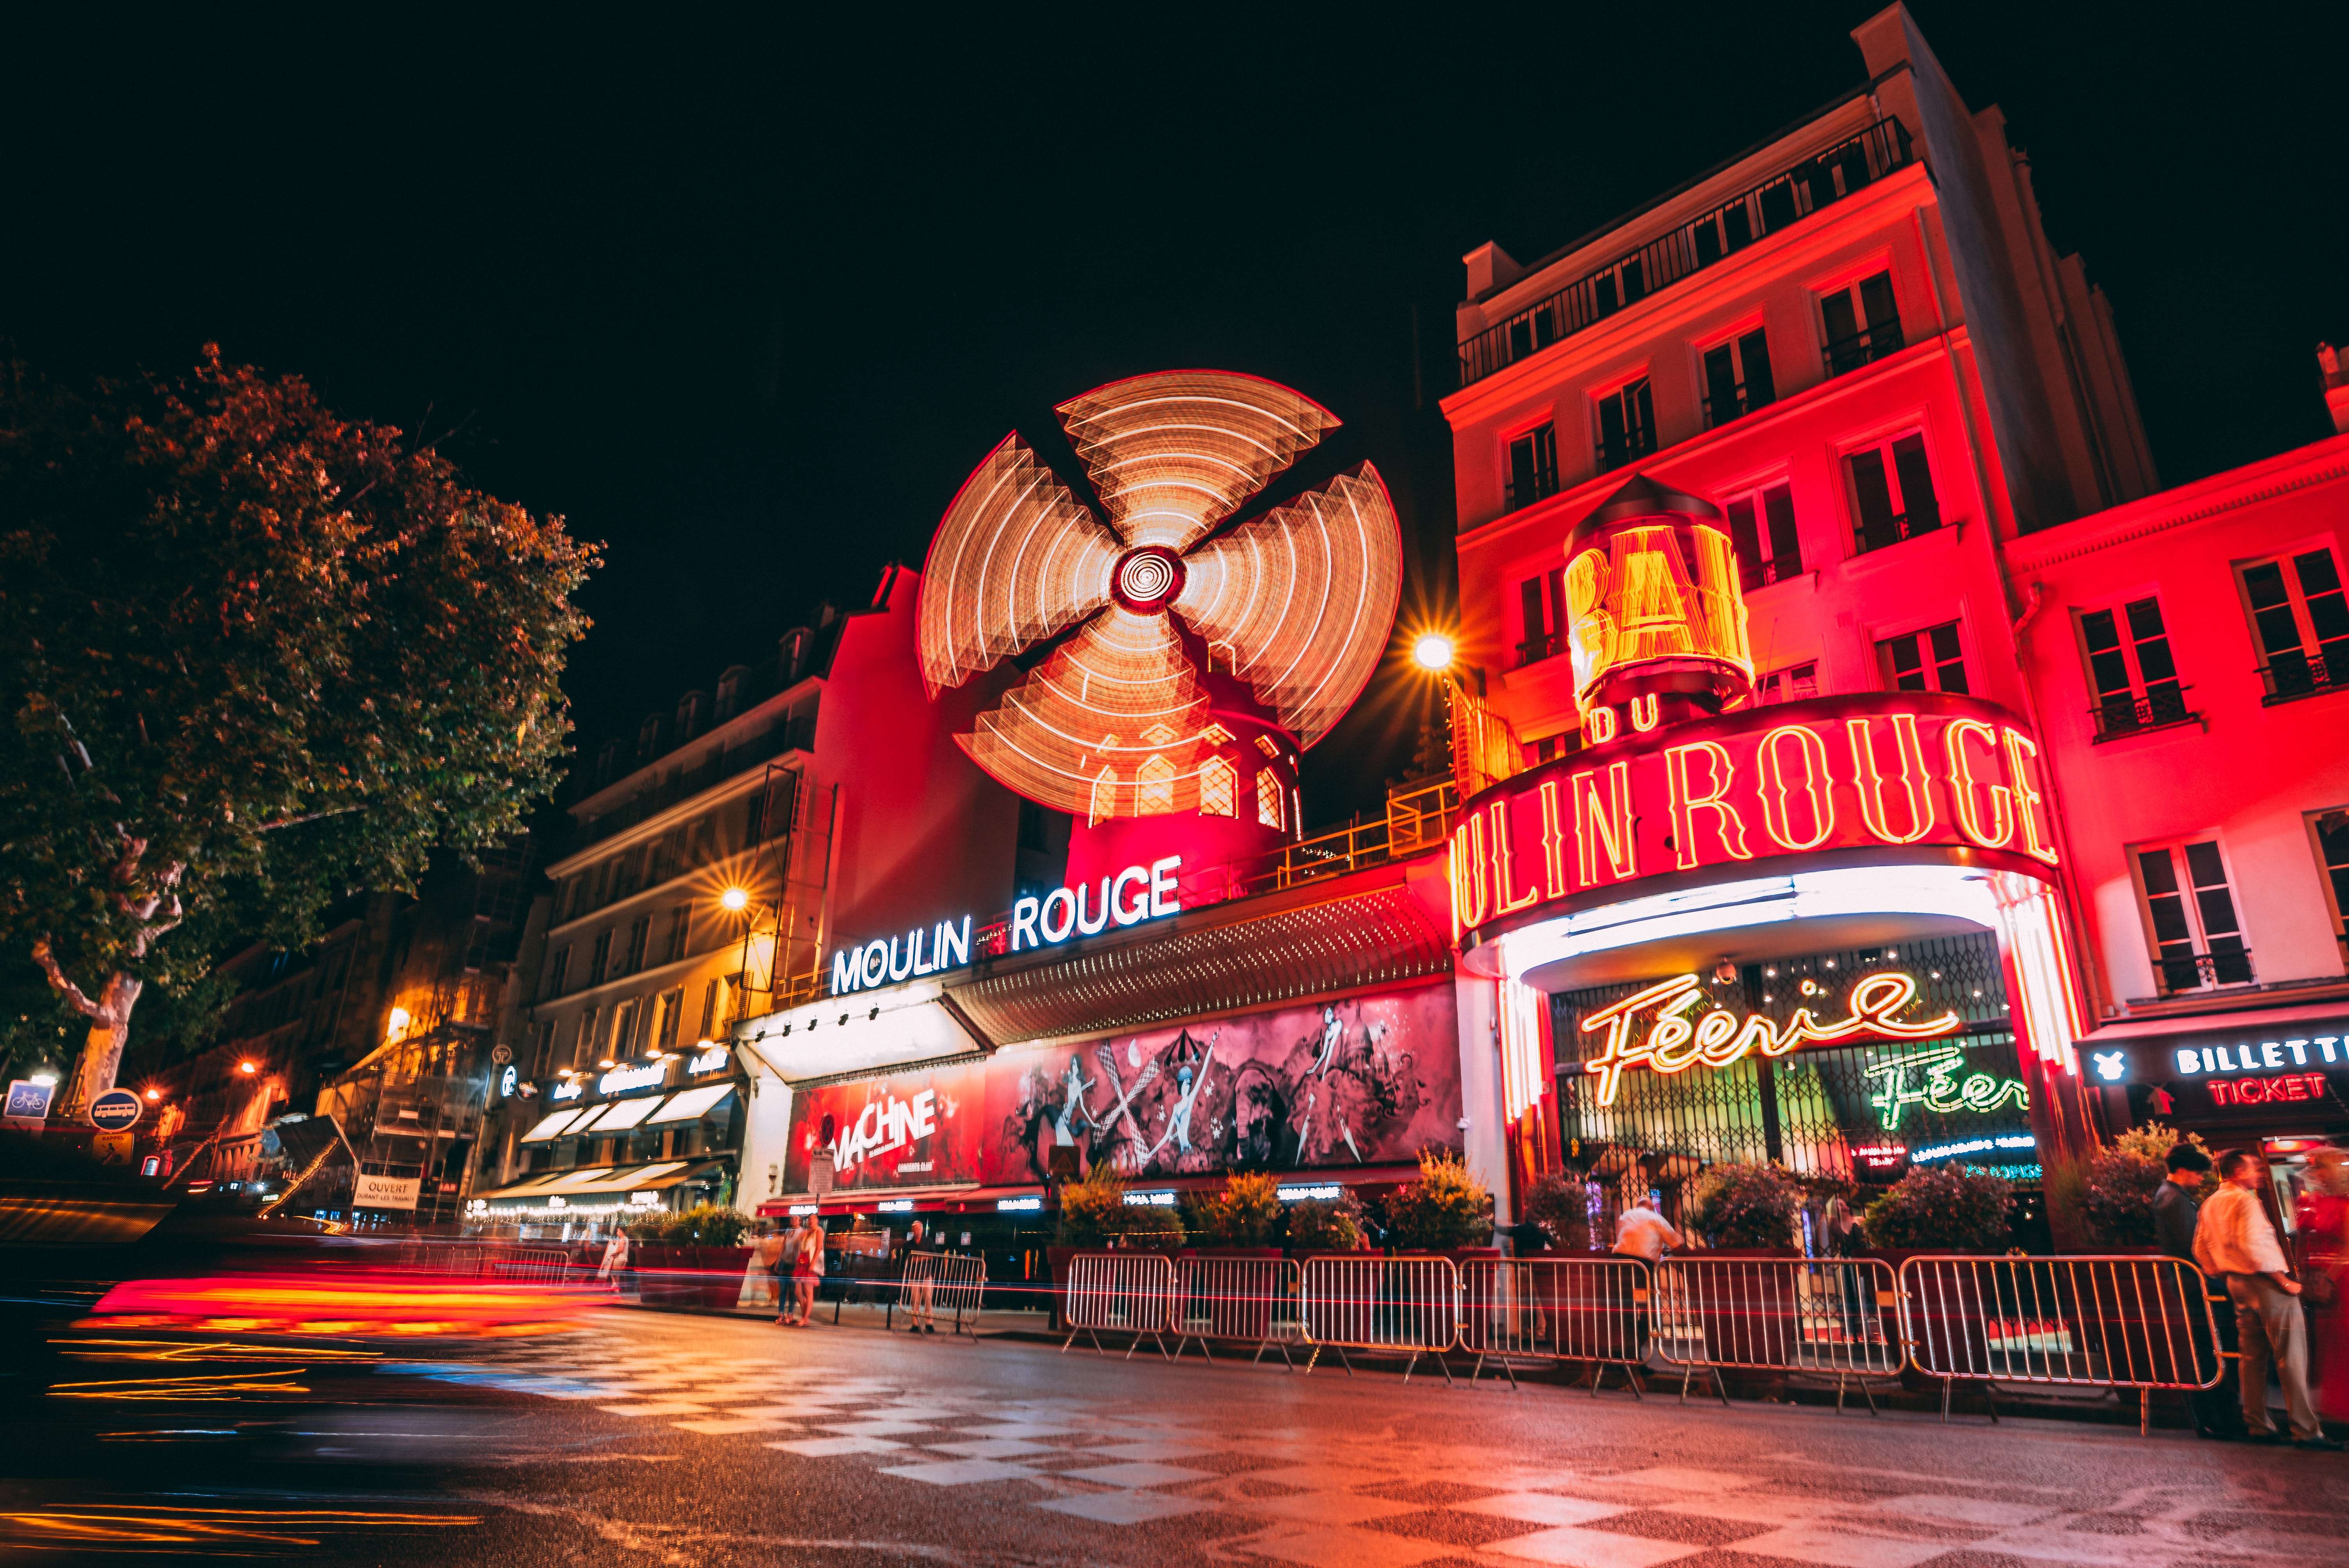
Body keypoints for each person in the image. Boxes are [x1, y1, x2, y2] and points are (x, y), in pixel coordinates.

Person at [2194, 1149, 2341, 1449]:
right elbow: (2255, 1247)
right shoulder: (2245, 1201)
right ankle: (2306, 1430)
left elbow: (2200, 1248)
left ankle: (2258, 1423)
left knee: (2251, 1357)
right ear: (2238, 1173)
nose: (2260, 1174)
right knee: (2291, 1357)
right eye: (2254, 1169)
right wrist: (2285, 1282)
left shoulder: (2211, 1203)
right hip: (2265, 1282)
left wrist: (2224, 1274)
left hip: (2237, 1283)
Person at [2154, 1143, 2241, 1439]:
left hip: (2193, 1283)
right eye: (2197, 1172)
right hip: (2198, 1284)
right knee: (2211, 1350)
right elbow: (2195, 1244)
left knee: (2208, 1349)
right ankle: (2216, 1419)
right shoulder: (2173, 1199)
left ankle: (2214, 1418)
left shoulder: (2173, 1196)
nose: (2201, 1178)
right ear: (2182, 1170)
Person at [2294, 1147, 2349, 1423]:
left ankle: (2342, 1405)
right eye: (2313, 1169)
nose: (2315, 1174)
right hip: (2319, 1279)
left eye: (2319, 1168)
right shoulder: (2313, 1201)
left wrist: (2328, 1277)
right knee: (2327, 1343)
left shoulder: (2344, 1204)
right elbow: (2303, 1242)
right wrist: (2304, 1274)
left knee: (2343, 1341)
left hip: (2340, 1279)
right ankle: (2334, 1404)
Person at [1612, 1193, 1680, 1367]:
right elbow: (1677, 1243)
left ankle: (1628, 1354)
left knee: (1625, 1311)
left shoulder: (1625, 1216)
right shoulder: (1656, 1219)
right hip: (1641, 1270)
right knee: (1649, 1311)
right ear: (1651, 1208)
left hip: (1619, 1266)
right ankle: (1633, 1353)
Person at [903, 1219, 936, 1335]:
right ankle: (915, 1324)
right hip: (914, 1276)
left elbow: (933, 1256)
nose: (916, 1231)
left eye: (918, 1229)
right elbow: (910, 1260)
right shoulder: (908, 1244)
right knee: (915, 1301)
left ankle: (929, 1323)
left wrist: (919, 1258)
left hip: (926, 1275)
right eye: (915, 1229)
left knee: (928, 1299)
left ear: (922, 1230)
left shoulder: (928, 1241)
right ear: (913, 1231)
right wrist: (924, 1257)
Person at [791, 1215, 825, 1327]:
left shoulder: (819, 1231)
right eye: (809, 1219)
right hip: (802, 1261)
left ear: (817, 1220)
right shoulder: (807, 1232)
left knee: (808, 1291)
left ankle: (805, 1318)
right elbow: (800, 1246)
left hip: (810, 1261)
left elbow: (819, 1248)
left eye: (813, 1219)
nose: (811, 1221)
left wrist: (813, 1263)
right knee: (798, 1291)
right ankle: (805, 1317)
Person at [772, 1216, 806, 1327]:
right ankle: (781, 1314)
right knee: (782, 1289)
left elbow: (803, 1248)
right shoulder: (788, 1231)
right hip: (784, 1262)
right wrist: (778, 1260)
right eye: (793, 1219)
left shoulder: (803, 1232)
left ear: (800, 1221)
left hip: (794, 1264)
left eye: (796, 1219)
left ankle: (790, 1314)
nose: (794, 1221)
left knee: (793, 1290)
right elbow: (783, 1246)